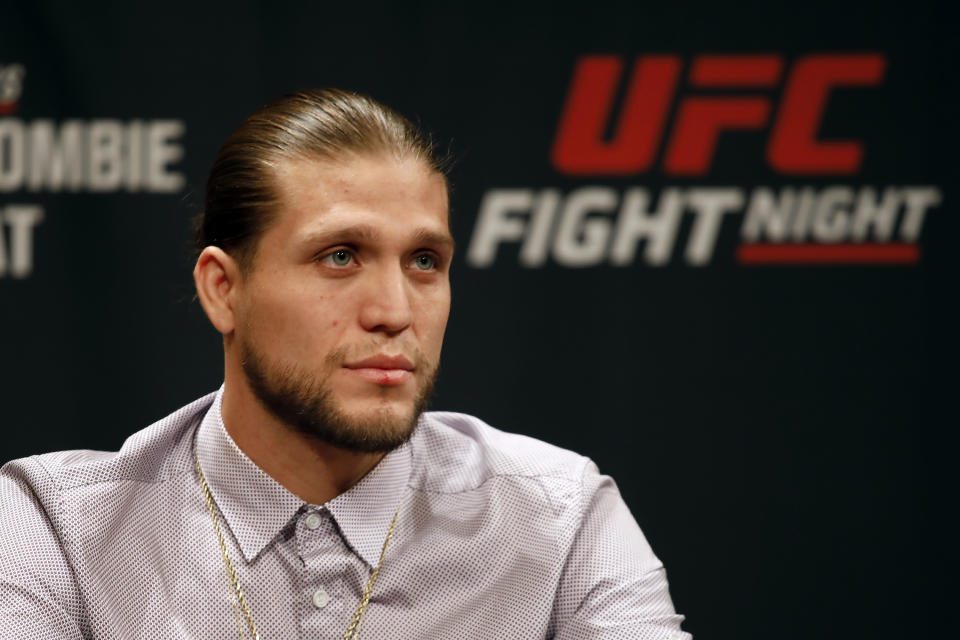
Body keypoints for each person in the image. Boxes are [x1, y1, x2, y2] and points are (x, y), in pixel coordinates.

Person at [0, 89, 693, 639]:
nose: (394, 309)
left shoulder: (561, 519)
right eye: (340, 256)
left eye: (425, 261)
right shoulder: (61, 532)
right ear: (223, 289)